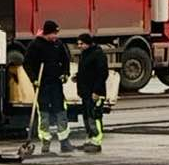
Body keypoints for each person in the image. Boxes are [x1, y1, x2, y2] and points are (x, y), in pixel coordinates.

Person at [23, 20, 72, 154]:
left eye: (56, 34)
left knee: (60, 111)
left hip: (56, 83)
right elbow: (27, 64)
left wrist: (65, 73)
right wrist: (33, 78)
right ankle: (46, 141)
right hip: (42, 84)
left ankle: (64, 141)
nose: (55, 36)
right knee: (44, 113)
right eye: (53, 34)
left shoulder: (58, 44)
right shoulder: (35, 45)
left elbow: (66, 60)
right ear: (46, 33)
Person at [75, 33, 109, 154]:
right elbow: (85, 72)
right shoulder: (85, 54)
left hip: (94, 92)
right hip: (85, 92)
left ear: (88, 43)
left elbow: (102, 74)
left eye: (82, 44)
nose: (79, 46)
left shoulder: (98, 55)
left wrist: (97, 91)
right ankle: (90, 138)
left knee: (95, 116)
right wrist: (78, 78)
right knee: (87, 115)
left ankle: (97, 139)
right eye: (78, 44)